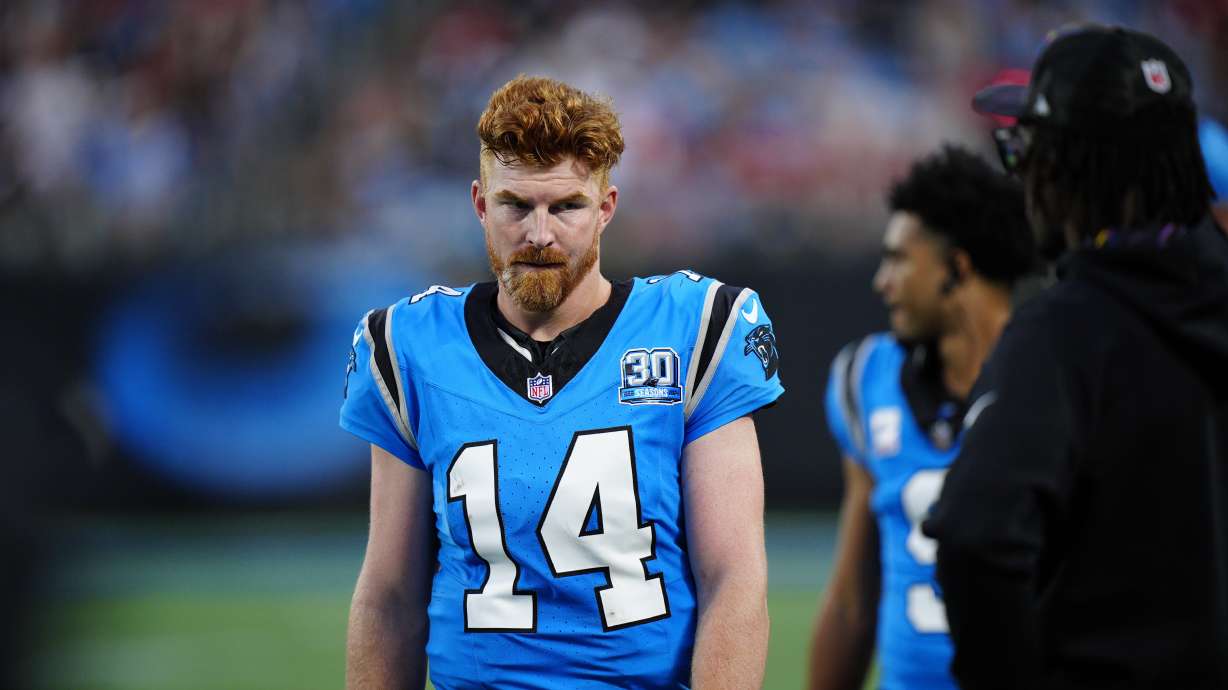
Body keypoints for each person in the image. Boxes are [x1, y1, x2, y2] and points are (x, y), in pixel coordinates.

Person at [340, 75, 784, 689]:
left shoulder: (693, 328)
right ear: (479, 204)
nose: (540, 234)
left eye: (567, 206)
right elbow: (389, 595)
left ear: (605, 207)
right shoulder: (410, 345)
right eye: (515, 205)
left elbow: (734, 580)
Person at [924, 25, 1228, 690]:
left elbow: (977, 536)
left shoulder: (1064, 331)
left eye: (1024, 146)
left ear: (1067, 163)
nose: (1019, 168)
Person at [807, 146, 1035, 690]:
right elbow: (852, 604)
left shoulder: (1049, 376)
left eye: (900, 259)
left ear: (956, 267)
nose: (882, 281)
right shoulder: (867, 378)